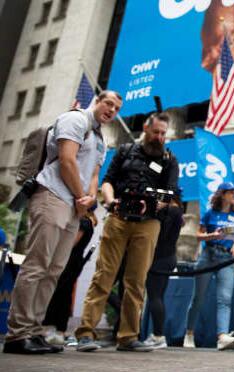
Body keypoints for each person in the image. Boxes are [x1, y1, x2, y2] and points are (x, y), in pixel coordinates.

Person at [3, 91, 121, 355]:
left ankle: (34, 330)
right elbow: (67, 160)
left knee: (54, 270)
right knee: (36, 265)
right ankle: (16, 334)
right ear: (97, 102)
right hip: (53, 195)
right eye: (108, 104)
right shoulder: (75, 120)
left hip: (74, 207)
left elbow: (93, 173)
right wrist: (82, 196)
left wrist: (89, 200)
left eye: (116, 108)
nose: (112, 110)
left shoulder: (100, 138)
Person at [75, 112, 179, 352]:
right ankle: (85, 333)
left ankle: (128, 337)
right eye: (156, 132)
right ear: (146, 128)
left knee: (136, 281)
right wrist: (111, 202)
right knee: (104, 276)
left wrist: (151, 201)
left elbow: (171, 193)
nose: (160, 137)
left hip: (148, 223)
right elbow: (108, 181)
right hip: (119, 218)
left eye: (164, 133)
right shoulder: (124, 151)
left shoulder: (169, 160)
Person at [184, 181, 234, 350]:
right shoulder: (210, 214)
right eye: (230, 192)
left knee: (225, 299)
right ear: (222, 194)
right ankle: (189, 333)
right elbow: (198, 236)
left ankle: (222, 337)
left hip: (226, 259)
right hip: (208, 257)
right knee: (198, 298)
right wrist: (212, 236)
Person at [43, 211, 97, 346]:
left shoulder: (84, 222)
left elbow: (71, 243)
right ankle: (56, 329)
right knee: (62, 294)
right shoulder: (85, 221)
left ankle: (56, 329)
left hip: (70, 261)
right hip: (71, 261)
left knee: (61, 294)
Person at [143, 190, 185, 349]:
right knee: (158, 296)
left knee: (155, 296)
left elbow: (161, 235)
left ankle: (158, 335)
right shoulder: (178, 211)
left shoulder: (170, 211)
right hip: (168, 256)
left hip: (160, 258)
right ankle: (158, 334)